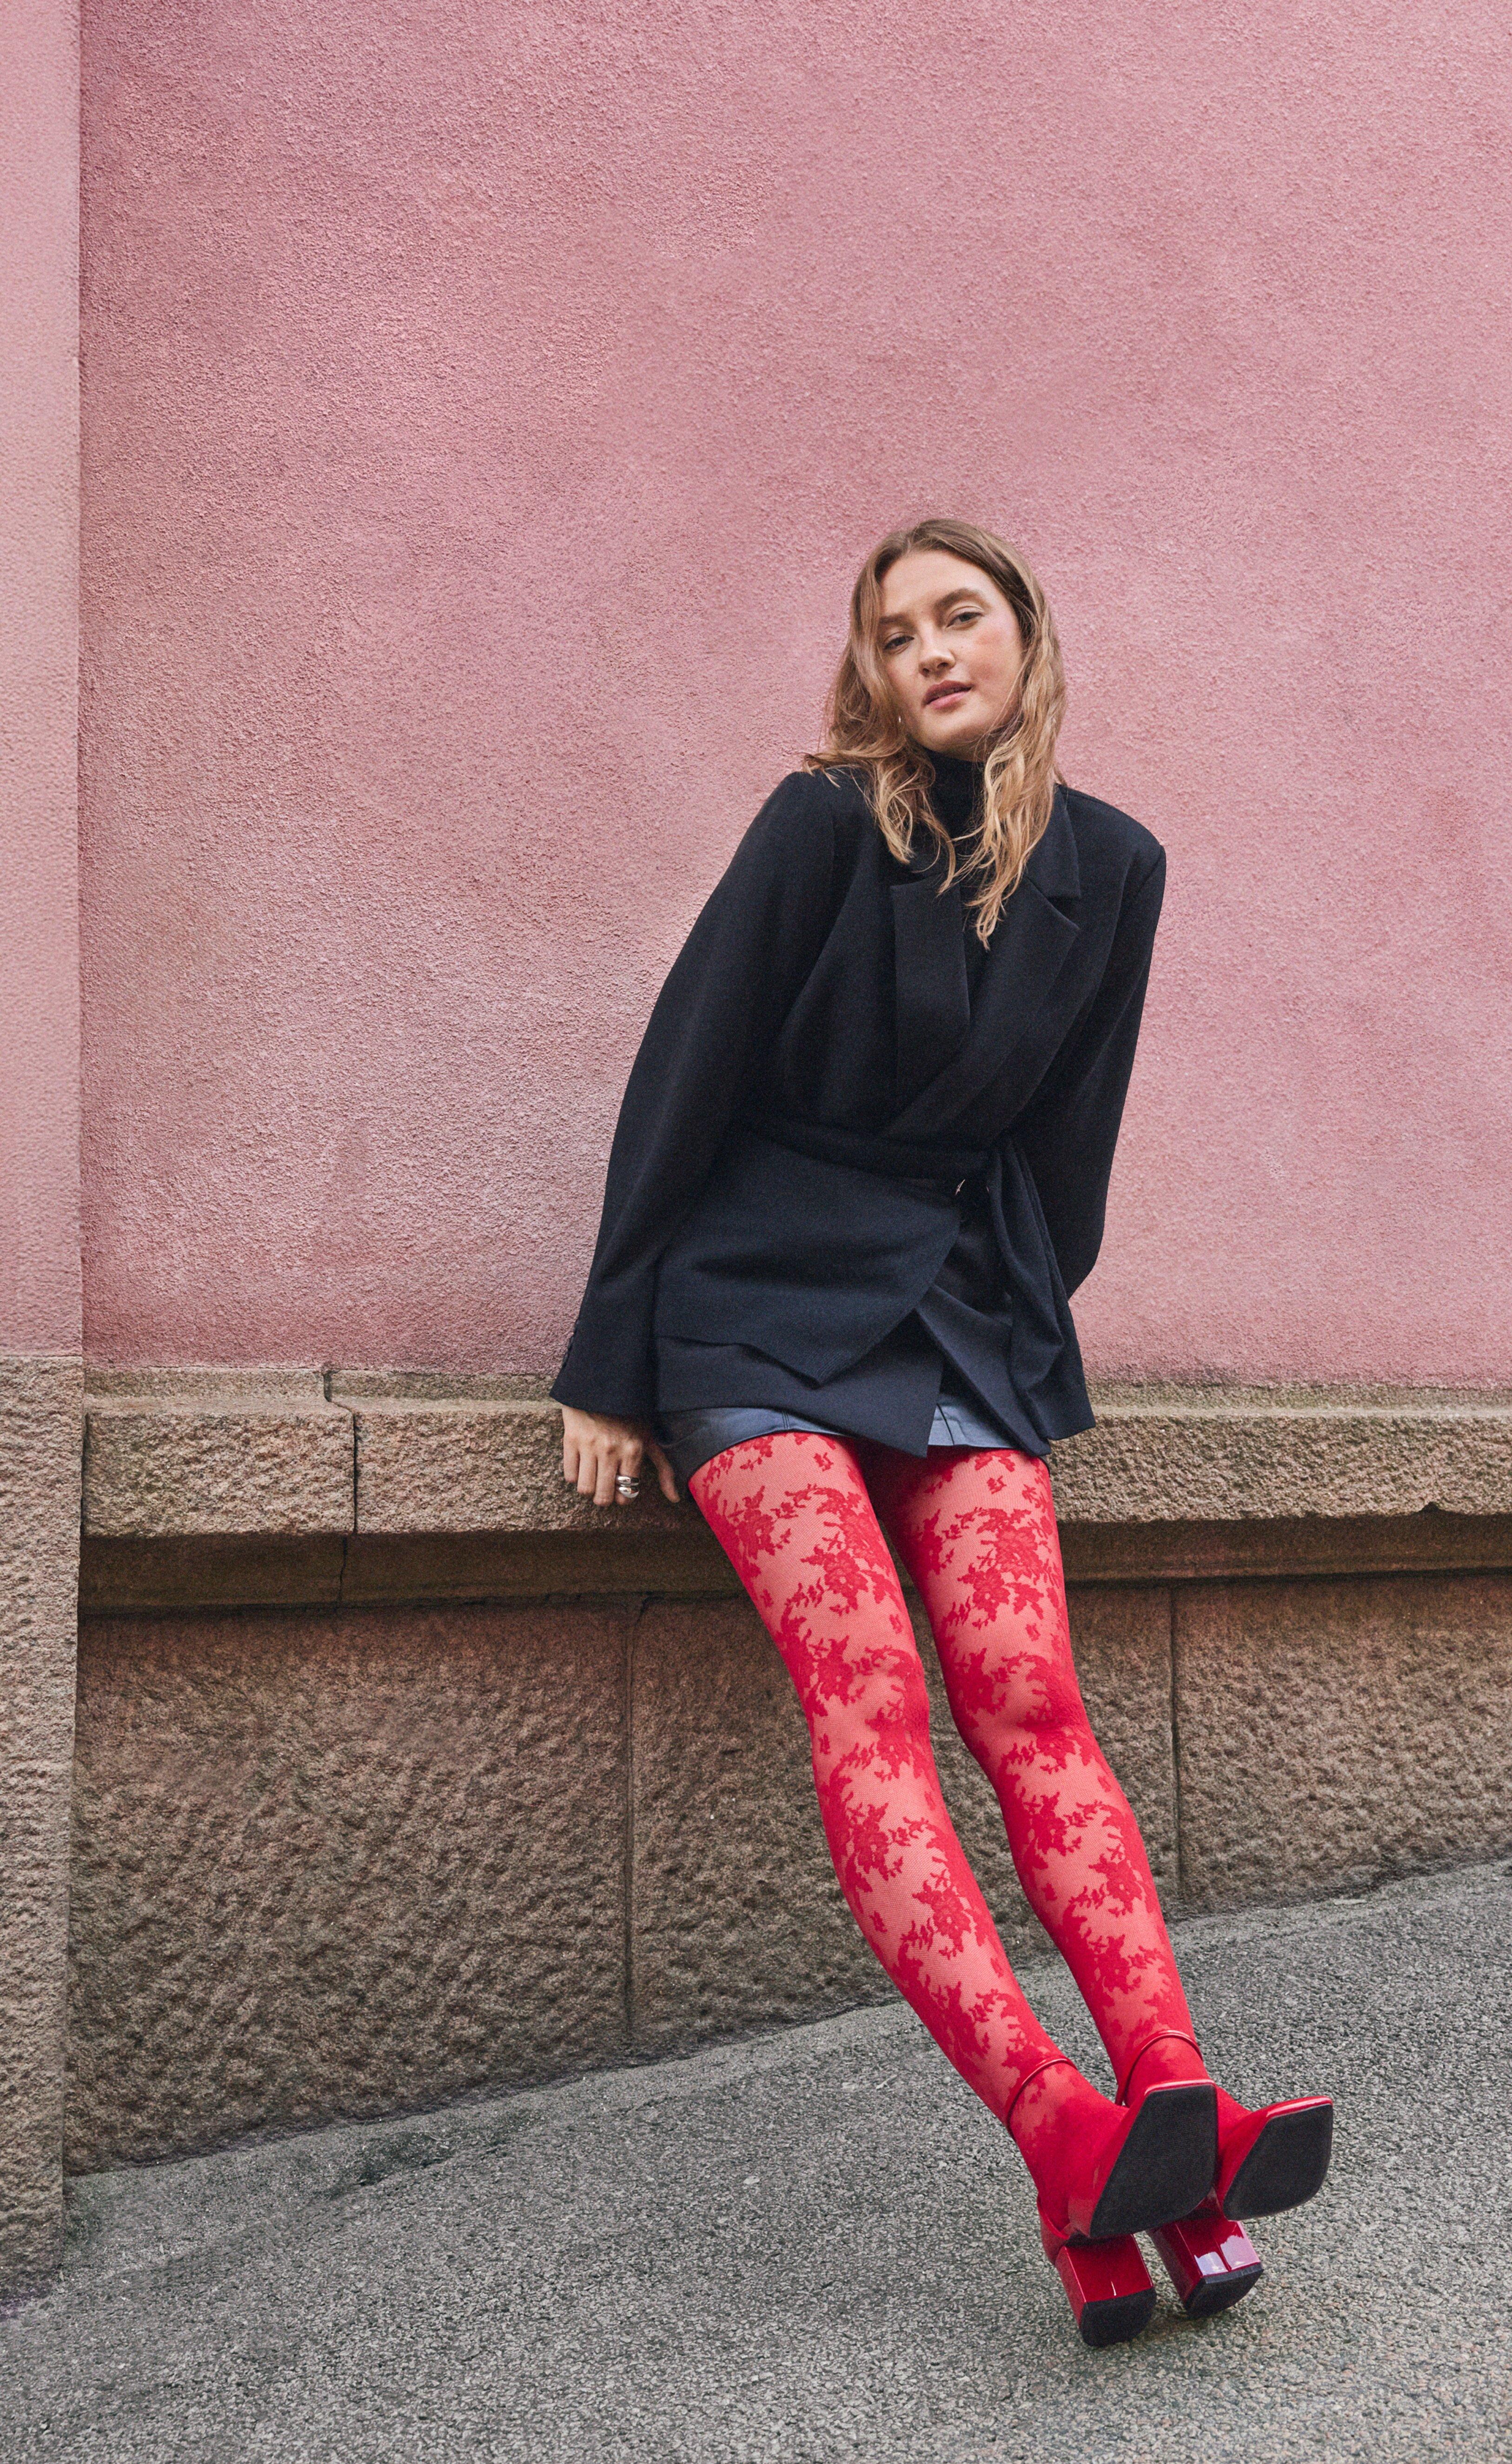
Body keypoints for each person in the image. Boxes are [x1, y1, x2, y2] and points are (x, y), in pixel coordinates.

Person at [552, 518, 1331, 2348]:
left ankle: (1176, 2119)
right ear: (874, 672)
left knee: (1034, 1704)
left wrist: (1020, 1316)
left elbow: (1075, 1148)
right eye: (894, 632)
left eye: (958, 613)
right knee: (873, 1700)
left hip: (961, 1321)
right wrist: (610, 1356)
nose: (929, 650)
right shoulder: (825, 823)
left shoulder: (1115, 865)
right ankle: (1061, 2133)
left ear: (1022, 630)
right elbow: (688, 1069)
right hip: (748, 1308)